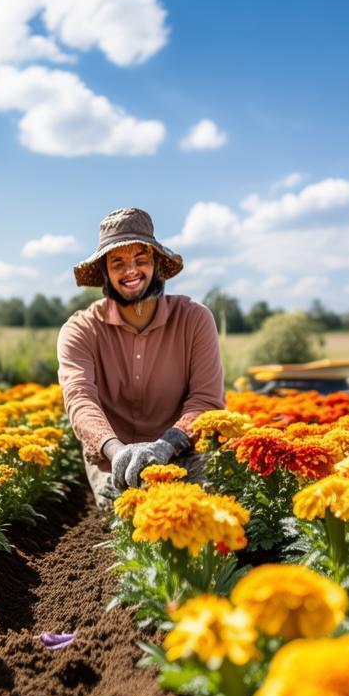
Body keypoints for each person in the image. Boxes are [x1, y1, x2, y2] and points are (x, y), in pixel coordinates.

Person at [57, 207, 225, 509]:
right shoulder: (80, 329)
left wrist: (165, 446)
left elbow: (206, 399)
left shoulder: (195, 319)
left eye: (140, 259)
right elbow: (80, 399)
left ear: (156, 263)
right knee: (125, 522)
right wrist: (116, 451)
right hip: (111, 459)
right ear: (105, 272)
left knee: (192, 514)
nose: (130, 270)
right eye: (117, 262)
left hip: (180, 451)